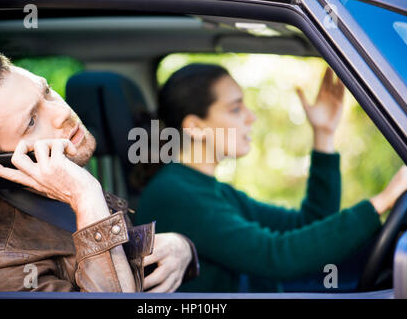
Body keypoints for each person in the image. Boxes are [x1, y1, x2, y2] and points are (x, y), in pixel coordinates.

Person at [135, 63, 407, 292]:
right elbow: (276, 256)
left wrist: (323, 134)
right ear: (195, 127)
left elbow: (308, 223)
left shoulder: (209, 189)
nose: (251, 117)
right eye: (235, 109)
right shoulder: (175, 194)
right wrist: (381, 202)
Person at [0, 46, 198, 292]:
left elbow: (122, 262)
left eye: (47, 92)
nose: (62, 112)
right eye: (31, 121)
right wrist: (86, 197)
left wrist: (182, 247)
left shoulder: (54, 181)